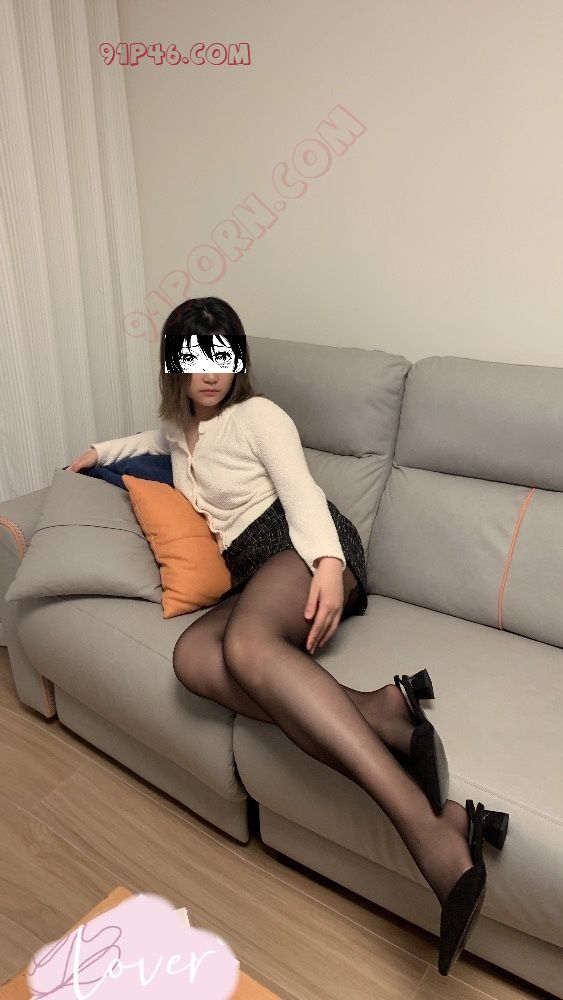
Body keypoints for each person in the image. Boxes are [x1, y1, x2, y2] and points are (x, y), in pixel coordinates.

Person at [67, 296, 508, 976]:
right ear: (174, 366)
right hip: (255, 573)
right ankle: (379, 710)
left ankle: (434, 830)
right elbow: (147, 442)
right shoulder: (179, 432)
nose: (209, 370)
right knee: (192, 658)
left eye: (221, 354)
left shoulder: (259, 415)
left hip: (301, 546)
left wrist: (328, 564)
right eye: (193, 356)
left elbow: (301, 493)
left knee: (245, 650)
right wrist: (98, 453)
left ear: (237, 360)